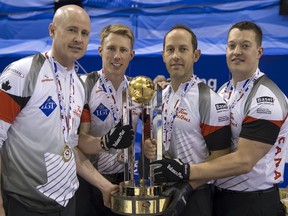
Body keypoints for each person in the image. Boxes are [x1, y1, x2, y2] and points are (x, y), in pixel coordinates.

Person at [0, 5, 134, 216]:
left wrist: (104, 186)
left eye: (84, 33)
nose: (78, 39)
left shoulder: (79, 87)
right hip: (24, 203)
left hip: (66, 203)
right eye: (72, 30)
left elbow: (71, 149)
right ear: (52, 30)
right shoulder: (22, 73)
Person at [150, 21, 288, 216]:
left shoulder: (266, 99)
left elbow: (243, 161)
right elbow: (215, 156)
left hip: (254, 203)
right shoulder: (225, 91)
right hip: (221, 196)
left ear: (259, 51)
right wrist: (190, 185)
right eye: (232, 45)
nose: (237, 51)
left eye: (245, 46)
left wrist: (185, 171)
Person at [144, 24, 232, 216]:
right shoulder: (157, 97)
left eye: (183, 49)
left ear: (196, 55)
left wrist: (188, 186)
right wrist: (149, 147)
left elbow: (222, 157)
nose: (175, 55)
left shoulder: (208, 99)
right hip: (160, 190)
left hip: (194, 194)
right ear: (163, 55)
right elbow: (154, 142)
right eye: (170, 49)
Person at [76, 24, 139, 216]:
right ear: (101, 50)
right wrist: (107, 141)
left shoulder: (139, 90)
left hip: (125, 181)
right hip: (88, 181)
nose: (116, 56)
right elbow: (76, 141)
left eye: (123, 50)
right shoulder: (84, 85)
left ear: (131, 55)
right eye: (111, 48)